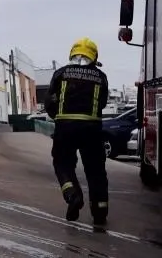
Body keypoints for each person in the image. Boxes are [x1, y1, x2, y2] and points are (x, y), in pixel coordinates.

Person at [44, 37, 110, 224]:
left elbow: (49, 101)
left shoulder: (61, 73)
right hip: (92, 129)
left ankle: (73, 195)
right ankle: (100, 211)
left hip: (65, 128)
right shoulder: (101, 76)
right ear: (94, 56)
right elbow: (103, 103)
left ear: (72, 53)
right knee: (96, 170)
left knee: (63, 164)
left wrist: (58, 116)